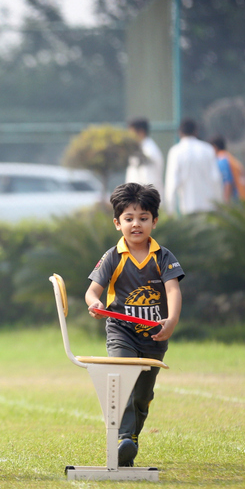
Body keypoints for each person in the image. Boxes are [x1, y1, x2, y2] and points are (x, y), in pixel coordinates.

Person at [84, 183, 184, 467]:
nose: (136, 224)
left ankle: (131, 439)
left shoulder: (163, 257)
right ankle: (123, 438)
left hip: (155, 336)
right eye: (129, 218)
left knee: (143, 394)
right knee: (122, 379)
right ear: (117, 223)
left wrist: (172, 320)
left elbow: (173, 291)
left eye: (143, 218)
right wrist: (95, 303)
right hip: (121, 331)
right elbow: (93, 291)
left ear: (154, 221)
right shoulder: (112, 256)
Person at [163, 118, 222, 215]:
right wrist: (220, 204)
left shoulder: (176, 151)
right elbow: (216, 179)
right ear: (196, 132)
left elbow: (172, 183)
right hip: (209, 207)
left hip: (189, 208)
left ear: (180, 133)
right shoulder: (208, 149)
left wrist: (170, 211)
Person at [210, 135, 245, 204]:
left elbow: (227, 183)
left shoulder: (222, 160)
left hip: (238, 199)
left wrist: (226, 204)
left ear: (215, 148)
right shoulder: (229, 158)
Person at [125, 117, 165, 196]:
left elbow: (148, 180)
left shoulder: (149, 151)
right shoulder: (138, 148)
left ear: (141, 132)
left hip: (146, 201)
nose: (130, 136)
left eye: (131, 133)